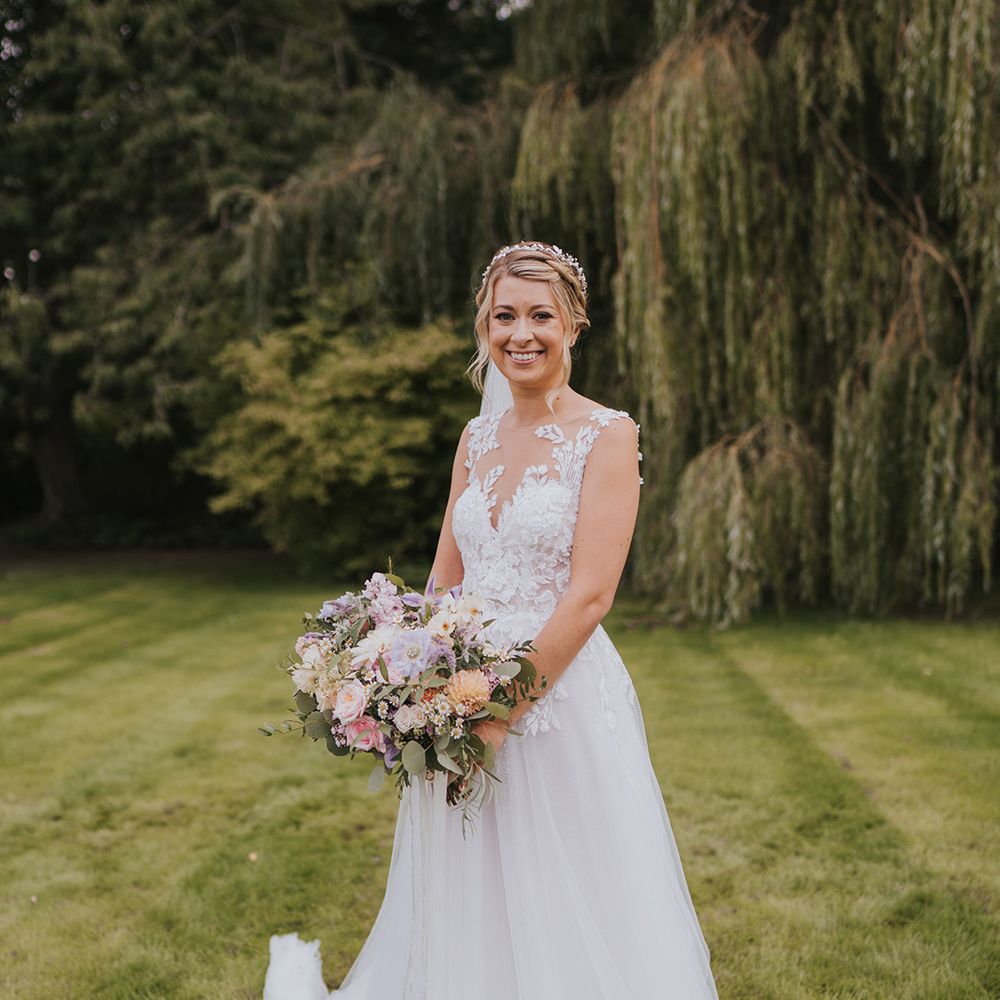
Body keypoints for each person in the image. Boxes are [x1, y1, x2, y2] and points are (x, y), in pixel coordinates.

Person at [263, 241, 720, 999]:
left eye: (541, 316)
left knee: (567, 875)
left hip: (556, 694)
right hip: (457, 687)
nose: (522, 334)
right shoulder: (474, 440)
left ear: (574, 325)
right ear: (485, 328)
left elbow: (591, 595)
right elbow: (446, 577)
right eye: (504, 316)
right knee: (467, 874)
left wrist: (503, 708)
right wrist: (403, 681)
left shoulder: (608, 435)